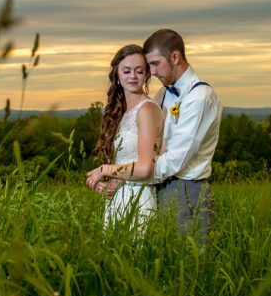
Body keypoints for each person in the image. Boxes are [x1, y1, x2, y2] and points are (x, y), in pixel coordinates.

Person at [89, 29, 221, 245]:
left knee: (188, 262)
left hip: (186, 188)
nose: (150, 71)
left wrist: (126, 175)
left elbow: (176, 160)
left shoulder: (199, 97)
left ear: (175, 57)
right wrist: (126, 177)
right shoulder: (162, 94)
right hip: (158, 187)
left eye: (154, 64)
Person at [85, 44, 164, 231]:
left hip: (138, 199)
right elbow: (123, 161)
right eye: (126, 71)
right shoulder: (120, 112)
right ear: (117, 76)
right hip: (117, 199)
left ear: (146, 75)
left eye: (139, 71)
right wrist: (102, 185)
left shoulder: (146, 110)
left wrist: (104, 170)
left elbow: (145, 169)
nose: (133, 77)